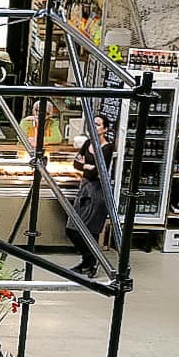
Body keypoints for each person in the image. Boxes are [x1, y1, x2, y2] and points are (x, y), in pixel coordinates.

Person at [66, 113, 114, 277]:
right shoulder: (87, 143)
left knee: (91, 229)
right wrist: (89, 166)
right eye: (93, 124)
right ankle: (89, 260)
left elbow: (98, 172)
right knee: (72, 228)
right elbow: (76, 164)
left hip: (97, 191)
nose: (95, 127)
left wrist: (87, 167)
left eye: (99, 124)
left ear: (105, 129)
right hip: (84, 188)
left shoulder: (107, 148)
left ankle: (90, 263)